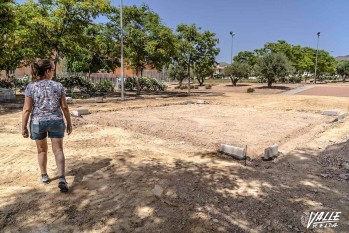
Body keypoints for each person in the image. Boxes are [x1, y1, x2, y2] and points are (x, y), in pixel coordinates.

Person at [22, 59, 72, 193]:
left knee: (42, 151)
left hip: (38, 122)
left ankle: (44, 176)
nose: (53, 73)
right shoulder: (58, 86)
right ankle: (62, 178)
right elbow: (64, 107)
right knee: (58, 150)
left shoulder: (31, 87)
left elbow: (26, 109)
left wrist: (24, 127)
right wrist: (69, 123)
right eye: (53, 70)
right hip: (56, 121)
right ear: (48, 71)